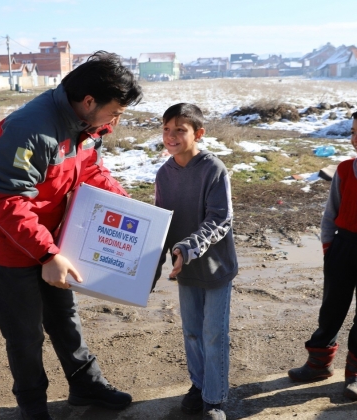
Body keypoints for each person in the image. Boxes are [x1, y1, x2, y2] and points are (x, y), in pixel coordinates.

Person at [0, 51, 142, 420]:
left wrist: (132, 211)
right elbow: (8, 200)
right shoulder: (32, 129)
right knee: (25, 332)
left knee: (63, 313)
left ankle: (85, 385)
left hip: (47, 232)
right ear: (89, 101)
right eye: (115, 111)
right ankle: (33, 407)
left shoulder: (86, 126)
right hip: (1, 238)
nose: (117, 120)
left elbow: (90, 170)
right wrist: (46, 254)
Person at [287, 106, 357, 401]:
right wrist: (329, 247)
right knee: (332, 309)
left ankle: (356, 373)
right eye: (353, 132)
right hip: (343, 247)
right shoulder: (343, 169)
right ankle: (318, 364)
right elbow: (331, 213)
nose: (356, 138)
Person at [153, 103, 238, 420]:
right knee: (191, 332)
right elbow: (162, 223)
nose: (171, 136)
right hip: (184, 270)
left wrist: (187, 247)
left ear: (198, 133)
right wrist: (148, 268)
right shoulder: (164, 174)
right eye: (165, 129)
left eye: (179, 129)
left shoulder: (213, 169)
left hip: (215, 269)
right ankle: (200, 385)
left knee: (214, 333)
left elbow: (220, 220)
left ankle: (214, 399)